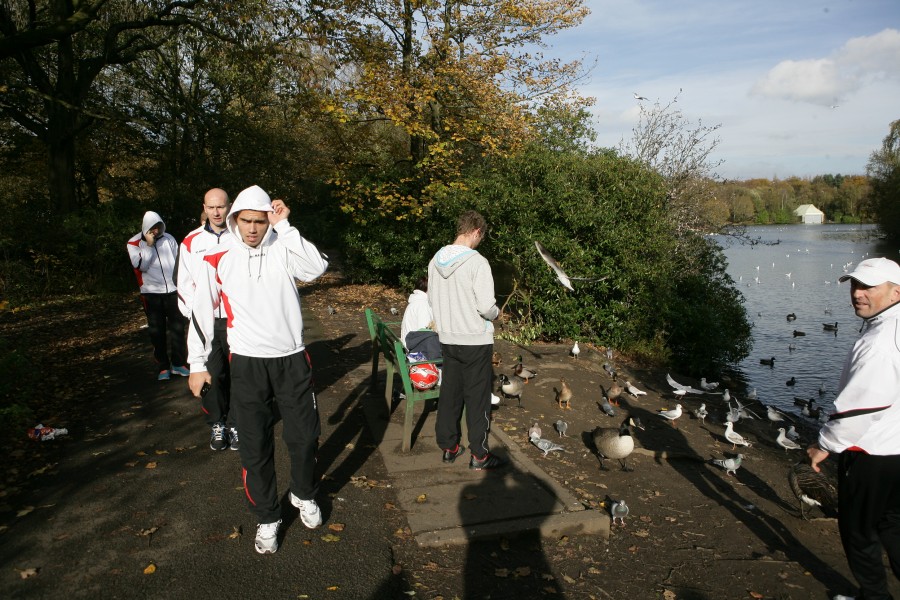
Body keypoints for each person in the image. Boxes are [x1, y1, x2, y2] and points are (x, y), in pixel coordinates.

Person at [186, 185, 328, 555]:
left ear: (269, 220)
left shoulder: (283, 246)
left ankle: (303, 493)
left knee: (304, 436)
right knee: (254, 444)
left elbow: (317, 268)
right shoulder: (218, 257)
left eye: (260, 221)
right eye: (246, 221)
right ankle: (268, 517)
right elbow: (201, 313)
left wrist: (287, 226)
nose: (252, 228)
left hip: (292, 357)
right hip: (247, 362)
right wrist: (198, 364)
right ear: (234, 219)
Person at [807, 257, 900, 600]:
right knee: (893, 525)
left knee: (859, 533)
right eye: (854, 285)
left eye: (868, 287)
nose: (858, 294)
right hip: (897, 451)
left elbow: (864, 405)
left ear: (895, 292)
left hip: (871, 453)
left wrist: (826, 444)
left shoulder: (879, 343)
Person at [428, 210, 505, 470]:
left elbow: (432, 300)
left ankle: (449, 447)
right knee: (478, 398)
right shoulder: (477, 262)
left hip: (448, 338)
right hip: (474, 339)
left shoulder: (435, 260)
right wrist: (496, 313)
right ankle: (479, 454)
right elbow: (486, 307)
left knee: (450, 394)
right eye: (481, 236)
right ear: (476, 232)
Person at [177, 188, 237, 452]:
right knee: (213, 375)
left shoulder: (240, 237)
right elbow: (183, 284)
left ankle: (236, 423)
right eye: (211, 207)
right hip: (208, 322)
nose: (216, 212)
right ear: (204, 207)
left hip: (237, 321)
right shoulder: (191, 241)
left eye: (221, 207)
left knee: (240, 375)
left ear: (229, 206)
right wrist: (198, 312)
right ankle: (217, 422)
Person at [127, 211, 188, 381]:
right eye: (152, 228)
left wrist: (182, 284)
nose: (156, 231)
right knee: (157, 331)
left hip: (173, 291)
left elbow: (179, 262)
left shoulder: (169, 239)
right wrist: (148, 245)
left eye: (158, 227)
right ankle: (163, 366)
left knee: (177, 328)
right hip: (151, 293)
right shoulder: (134, 243)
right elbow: (141, 265)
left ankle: (178, 363)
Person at [400, 276, 441, 360]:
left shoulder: (416, 302)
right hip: (417, 353)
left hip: (411, 345)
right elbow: (425, 334)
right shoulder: (423, 305)